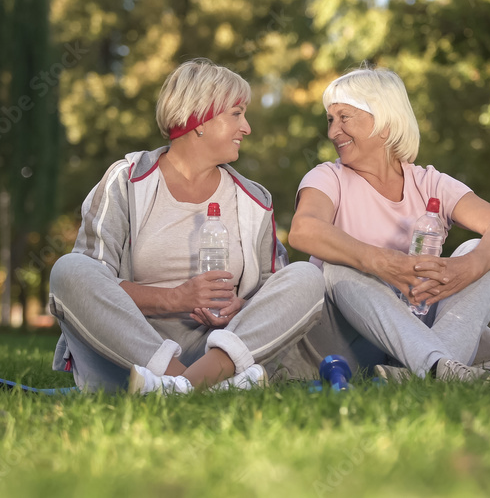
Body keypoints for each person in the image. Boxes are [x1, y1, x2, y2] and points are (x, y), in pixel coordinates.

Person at [48, 59, 324, 394]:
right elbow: (95, 282)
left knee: (307, 277)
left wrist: (243, 305)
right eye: (236, 114)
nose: (247, 127)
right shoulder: (126, 181)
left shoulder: (254, 200)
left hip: (218, 354)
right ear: (199, 119)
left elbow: (270, 297)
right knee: (69, 269)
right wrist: (175, 299)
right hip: (131, 358)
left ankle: (181, 387)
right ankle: (194, 385)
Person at [285, 67, 490, 382]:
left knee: (483, 250)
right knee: (337, 266)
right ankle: (439, 366)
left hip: (415, 330)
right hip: (344, 340)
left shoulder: (429, 182)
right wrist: (381, 262)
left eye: (344, 118)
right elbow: (303, 230)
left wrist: (469, 266)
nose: (333, 132)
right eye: (331, 120)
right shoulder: (327, 177)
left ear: (384, 122)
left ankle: (429, 370)